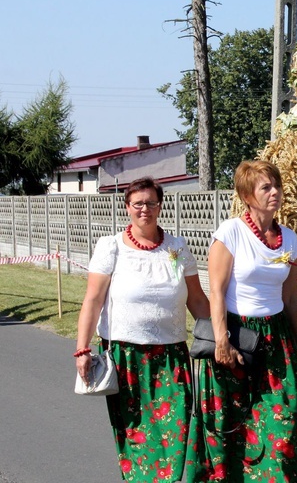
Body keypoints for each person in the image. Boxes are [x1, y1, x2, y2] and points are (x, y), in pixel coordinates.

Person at [75, 176, 210, 483]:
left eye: (151, 203)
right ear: (127, 207)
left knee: (178, 430)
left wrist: (219, 337)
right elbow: (93, 301)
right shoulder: (110, 248)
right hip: (126, 359)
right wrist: (82, 349)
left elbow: (197, 299)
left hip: (171, 356)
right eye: (138, 204)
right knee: (137, 433)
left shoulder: (177, 247)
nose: (145, 209)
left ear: (160, 205)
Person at [186, 160, 297, 482]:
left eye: (277, 185)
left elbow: (292, 298)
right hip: (237, 335)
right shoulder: (230, 232)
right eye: (266, 187)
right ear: (246, 195)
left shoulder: (290, 240)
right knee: (229, 422)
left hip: (276, 337)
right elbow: (218, 292)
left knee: (282, 425)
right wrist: (222, 340)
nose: (275, 192)